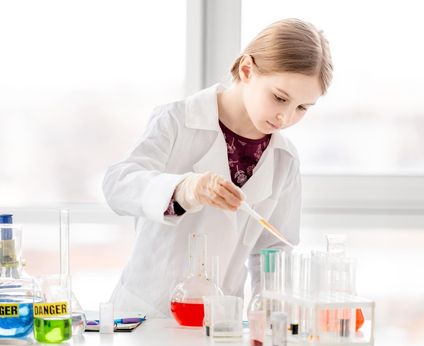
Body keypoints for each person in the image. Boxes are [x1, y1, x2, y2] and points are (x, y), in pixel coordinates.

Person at [103, 18, 333, 317]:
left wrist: (271, 313)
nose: (285, 117)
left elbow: (274, 250)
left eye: (302, 108)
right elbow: (117, 185)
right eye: (279, 98)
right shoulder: (176, 120)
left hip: (221, 321)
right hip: (148, 314)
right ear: (247, 70)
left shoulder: (283, 158)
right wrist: (184, 189)